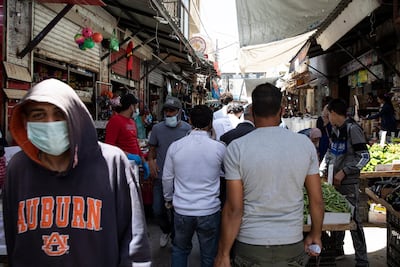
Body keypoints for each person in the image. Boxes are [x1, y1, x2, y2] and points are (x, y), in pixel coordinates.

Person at [3, 78, 151, 266]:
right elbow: (13, 239)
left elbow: (135, 245)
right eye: (39, 115)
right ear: (25, 122)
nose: (50, 123)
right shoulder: (18, 168)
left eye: (60, 114)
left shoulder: (112, 163)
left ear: (76, 117)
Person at [214, 83, 324, 267]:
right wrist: (316, 234)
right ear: (281, 110)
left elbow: (234, 209)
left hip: (250, 244)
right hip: (291, 243)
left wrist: (223, 253)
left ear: (252, 111)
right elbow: (317, 201)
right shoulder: (305, 145)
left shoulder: (237, 148)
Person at [163, 105, 226, 267]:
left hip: (182, 209)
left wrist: (168, 199)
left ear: (189, 121)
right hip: (209, 210)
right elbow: (226, 175)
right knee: (208, 255)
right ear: (211, 123)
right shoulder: (219, 148)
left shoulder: (176, 147)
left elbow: (167, 178)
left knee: (180, 249)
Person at [319, 98, 370, 266]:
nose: (327, 117)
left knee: (354, 222)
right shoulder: (335, 129)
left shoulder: (352, 129)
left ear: (334, 113)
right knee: (337, 217)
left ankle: (362, 260)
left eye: (328, 114)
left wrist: (344, 171)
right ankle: (338, 249)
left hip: (348, 183)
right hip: (334, 182)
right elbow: (330, 151)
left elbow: (364, 156)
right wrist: (323, 168)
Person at [148, 95, 192, 248]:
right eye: (166, 111)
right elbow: (152, 149)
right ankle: (165, 230)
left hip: (180, 178)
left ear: (179, 112)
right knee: (157, 210)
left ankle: (175, 237)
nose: (169, 114)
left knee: (176, 212)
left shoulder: (187, 129)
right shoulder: (157, 129)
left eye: (172, 111)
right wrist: (151, 162)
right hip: (161, 177)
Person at [105, 93, 149, 178]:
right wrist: (128, 155)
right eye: (136, 106)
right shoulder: (115, 121)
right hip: (121, 167)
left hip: (133, 167)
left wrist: (144, 162)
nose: (137, 109)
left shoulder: (132, 122)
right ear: (131, 106)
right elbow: (109, 147)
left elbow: (135, 143)